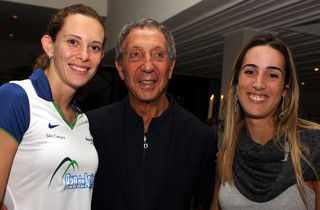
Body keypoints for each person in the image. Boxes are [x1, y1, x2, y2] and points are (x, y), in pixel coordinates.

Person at [86, 18, 218, 210]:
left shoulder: (200, 137)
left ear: (171, 67)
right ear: (120, 68)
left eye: (158, 54)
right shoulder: (90, 128)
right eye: (135, 54)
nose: (147, 66)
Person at [0, 4, 106, 210]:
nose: (84, 55)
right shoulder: (17, 98)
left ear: (101, 56)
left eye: (94, 47)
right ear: (50, 45)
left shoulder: (82, 120)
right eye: (73, 42)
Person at [210, 33, 320, 210]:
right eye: (250, 72)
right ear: (237, 81)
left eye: (272, 75)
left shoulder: (312, 147)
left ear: (286, 87)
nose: (259, 84)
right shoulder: (227, 155)